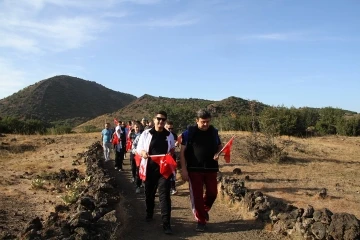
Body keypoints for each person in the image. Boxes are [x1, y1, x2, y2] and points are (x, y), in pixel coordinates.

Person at [179, 109, 222, 232]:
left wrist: (218, 152)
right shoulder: (189, 133)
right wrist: (184, 169)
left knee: (213, 193)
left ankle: (203, 210)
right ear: (196, 120)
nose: (205, 124)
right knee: (197, 196)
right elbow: (182, 152)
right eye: (203, 122)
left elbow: (219, 145)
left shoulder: (214, 132)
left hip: (211, 168)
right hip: (194, 169)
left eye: (208, 122)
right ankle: (201, 221)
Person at [136, 111, 175, 235]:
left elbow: (172, 149)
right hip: (149, 169)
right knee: (149, 194)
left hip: (164, 171)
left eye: (163, 119)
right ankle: (149, 212)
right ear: (154, 119)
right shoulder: (146, 134)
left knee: (164, 197)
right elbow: (139, 148)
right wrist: (142, 153)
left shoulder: (169, 135)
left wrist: (170, 154)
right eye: (159, 119)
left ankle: (166, 223)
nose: (161, 121)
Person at [165, 120, 178, 195]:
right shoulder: (161, 135)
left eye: (171, 128)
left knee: (172, 172)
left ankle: (173, 188)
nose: (170, 130)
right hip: (162, 158)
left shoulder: (174, 135)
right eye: (168, 128)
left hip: (171, 156)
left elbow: (174, 145)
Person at [129, 122, 142, 191]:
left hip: (140, 155)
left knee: (139, 169)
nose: (137, 128)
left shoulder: (142, 135)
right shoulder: (132, 134)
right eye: (136, 127)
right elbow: (131, 142)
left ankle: (138, 184)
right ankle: (134, 177)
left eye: (138, 127)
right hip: (133, 152)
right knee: (133, 166)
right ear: (134, 127)